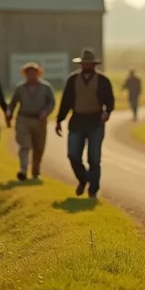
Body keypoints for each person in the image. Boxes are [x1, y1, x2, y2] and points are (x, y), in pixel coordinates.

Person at [55, 48, 115, 199]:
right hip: (77, 121)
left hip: (95, 121)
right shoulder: (73, 79)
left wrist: (107, 112)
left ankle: (93, 190)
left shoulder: (103, 80)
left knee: (94, 158)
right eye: (84, 63)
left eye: (89, 63)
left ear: (94, 65)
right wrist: (59, 120)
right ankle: (83, 179)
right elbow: (66, 102)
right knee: (73, 155)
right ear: (81, 64)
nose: (86, 66)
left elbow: (110, 101)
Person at [6, 62, 56, 181]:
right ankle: (23, 170)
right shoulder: (20, 88)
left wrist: (46, 112)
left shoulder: (46, 87)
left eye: (34, 73)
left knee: (39, 147)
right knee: (24, 145)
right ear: (25, 75)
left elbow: (52, 103)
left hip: (39, 120)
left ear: (38, 74)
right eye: (28, 73)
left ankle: (35, 172)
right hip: (24, 119)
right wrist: (9, 115)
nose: (31, 76)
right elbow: (13, 103)